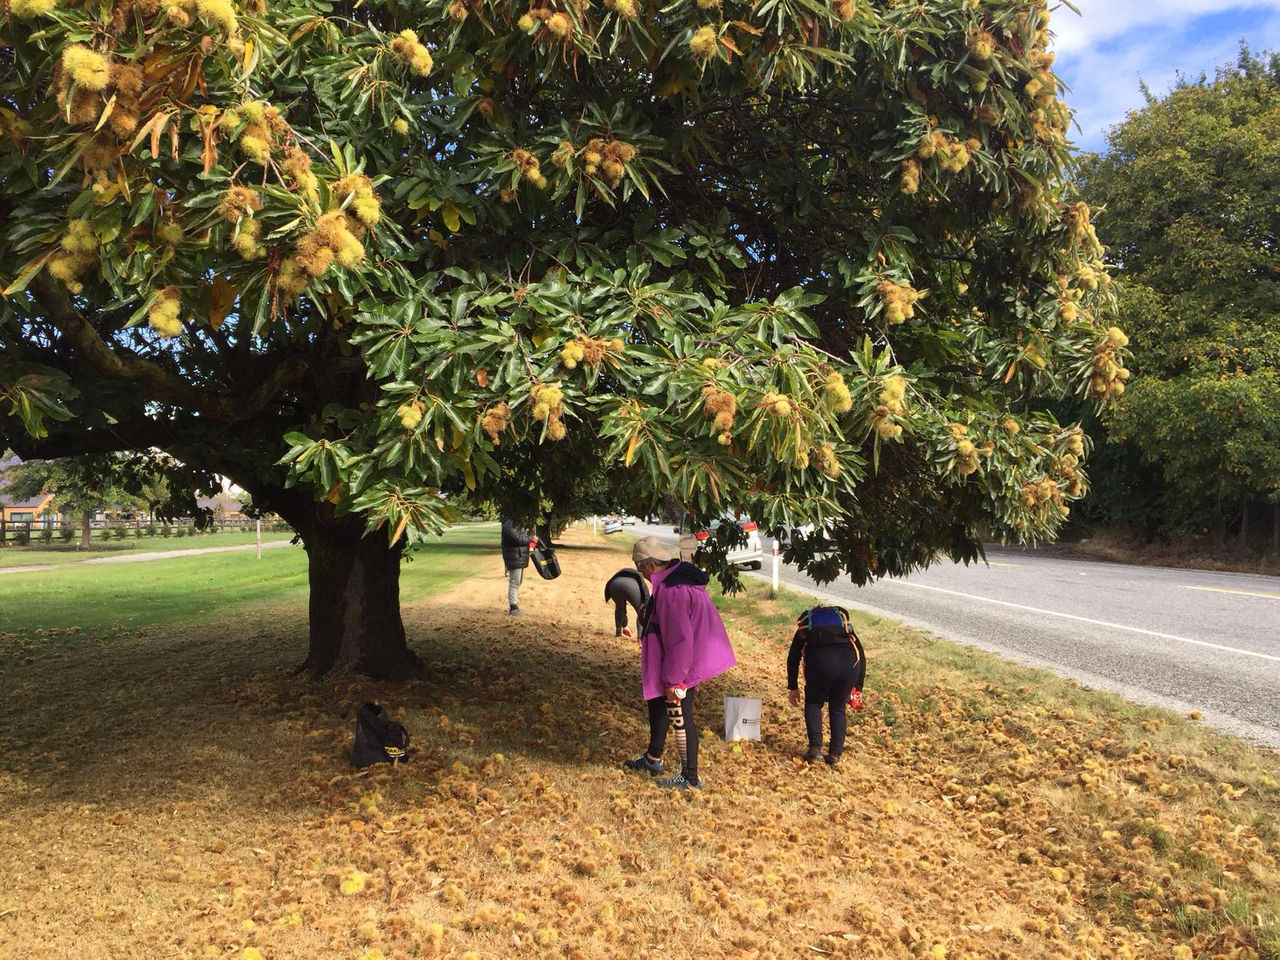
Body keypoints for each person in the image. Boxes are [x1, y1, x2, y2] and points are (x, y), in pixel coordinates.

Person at [623, 536, 736, 790]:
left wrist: (675, 681)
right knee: (659, 707)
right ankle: (653, 759)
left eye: (640, 568)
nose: (641, 574)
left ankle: (690, 777)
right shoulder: (669, 582)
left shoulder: (673, 591)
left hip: (682, 665)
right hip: (671, 661)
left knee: (679, 714)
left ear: (651, 566)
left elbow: (679, 640)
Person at [787, 605, 866, 766]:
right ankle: (835, 754)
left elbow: (793, 658)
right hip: (849, 665)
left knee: (814, 703)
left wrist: (793, 687)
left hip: (819, 664)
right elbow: (861, 655)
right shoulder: (845, 628)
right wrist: (858, 687)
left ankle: (815, 749)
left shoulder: (805, 630)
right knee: (837, 707)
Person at [500, 518, 537, 616]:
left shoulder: (517, 521)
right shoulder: (508, 523)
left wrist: (531, 539)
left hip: (518, 556)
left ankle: (514, 605)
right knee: (514, 582)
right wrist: (531, 539)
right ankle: (513, 608)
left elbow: (522, 536)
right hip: (514, 556)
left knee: (517, 582)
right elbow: (517, 539)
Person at [603, 567, 649, 638]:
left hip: (614, 585)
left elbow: (622, 610)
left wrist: (625, 626)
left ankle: (618, 632)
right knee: (641, 611)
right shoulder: (639, 577)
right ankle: (640, 637)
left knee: (619, 607)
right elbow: (646, 597)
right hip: (632, 587)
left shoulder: (622, 573)